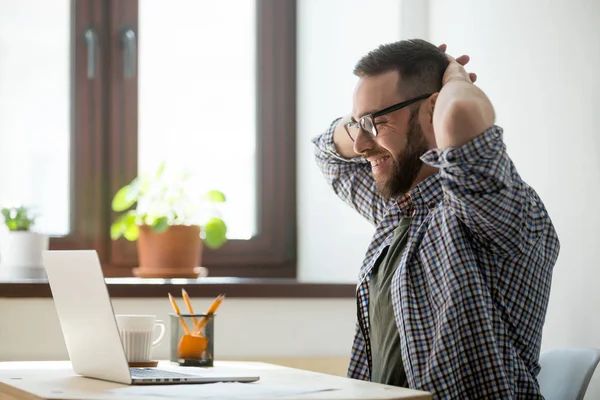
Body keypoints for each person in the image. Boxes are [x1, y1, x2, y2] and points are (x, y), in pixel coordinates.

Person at [313, 39, 560, 399]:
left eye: (377, 121)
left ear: (433, 108)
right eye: (357, 123)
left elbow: (460, 115)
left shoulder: (491, 210)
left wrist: (455, 78)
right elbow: (328, 153)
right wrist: (362, 120)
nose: (362, 145)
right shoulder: (398, 209)